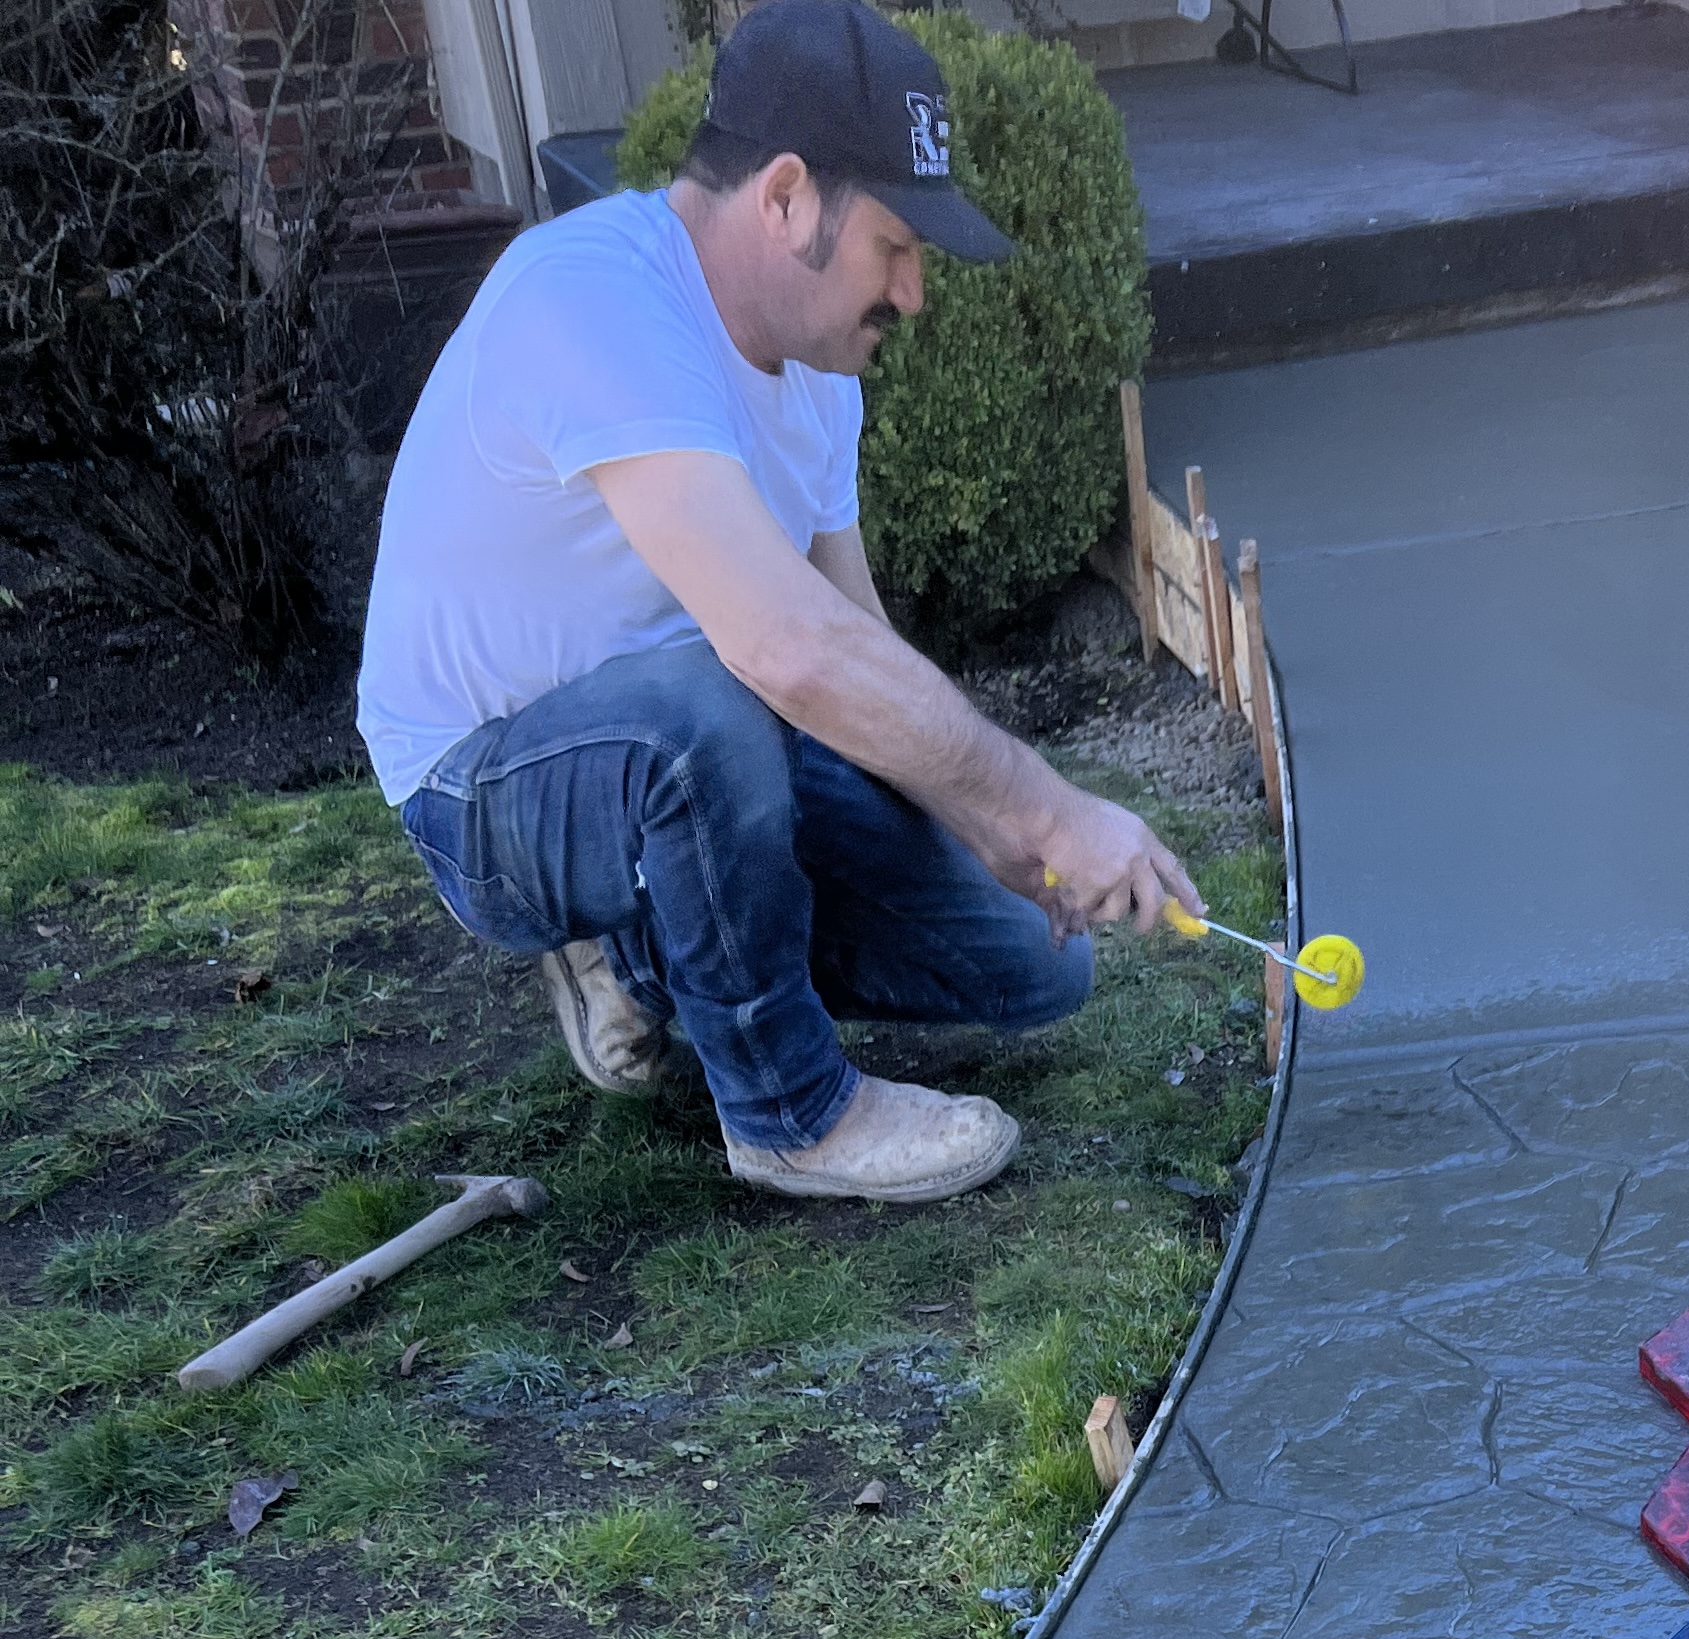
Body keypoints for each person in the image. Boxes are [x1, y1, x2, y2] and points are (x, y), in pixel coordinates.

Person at [355, 0, 1201, 1206]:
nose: (914, 295)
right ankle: (791, 1113)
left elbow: (848, 637)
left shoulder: (813, 378)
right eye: (898, 246)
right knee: (711, 697)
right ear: (789, 196)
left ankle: (642, 954)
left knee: (1032, 967)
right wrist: (1049, 804)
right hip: (485, 789)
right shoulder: (589, 299)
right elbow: (782, 649)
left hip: (693, 754)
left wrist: (1002, 836)